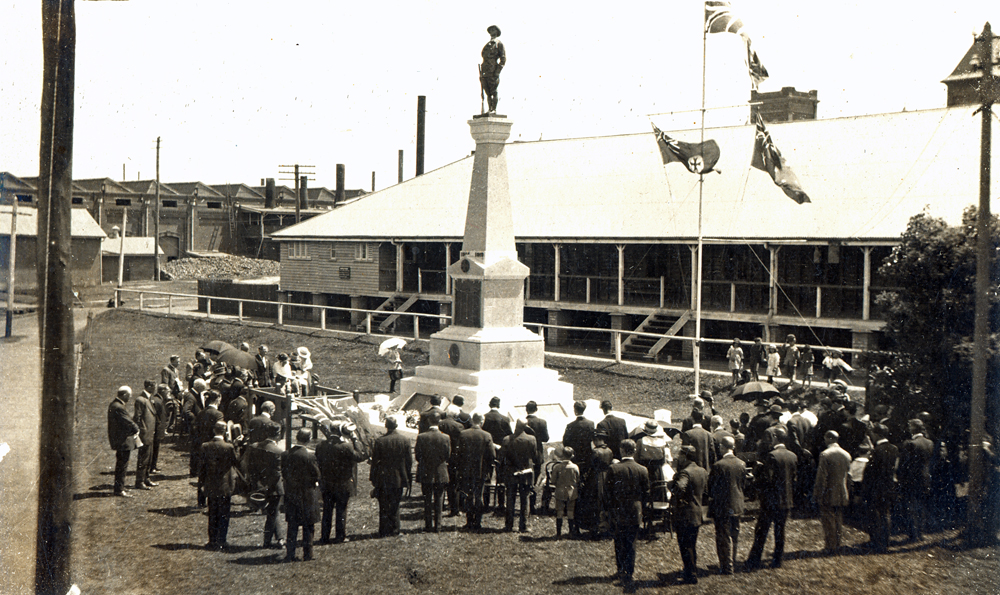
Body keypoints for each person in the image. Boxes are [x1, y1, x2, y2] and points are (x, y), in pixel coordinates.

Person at [745, 426, 798, 570]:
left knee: (761, 531)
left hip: (771, 500)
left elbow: (767, 480)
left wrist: (756, 475)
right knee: (780, 531)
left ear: (775, 437)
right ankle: (778, 560)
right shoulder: (793, 456)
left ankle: (754, 560)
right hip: (786, 499)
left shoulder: (772, 456)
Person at [315, 421, 367, 544]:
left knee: (327, 510)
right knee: (341, 510)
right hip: (343, 483)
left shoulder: (321, 445)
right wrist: (355, 440)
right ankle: (340, 536)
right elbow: (360, 456)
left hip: (327, 482)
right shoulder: (346, 446)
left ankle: (325, 536)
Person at [606, 439, 649, 585]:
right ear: (634, 450)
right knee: (631, 543)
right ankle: (629, 572)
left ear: (622, 450)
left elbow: (608, 492)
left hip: (618, 510)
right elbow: (646, 492)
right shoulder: (642, 469)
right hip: (635, 510)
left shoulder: (614, 469)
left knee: (619, 541)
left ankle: (621, 569)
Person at [670, 445, 708, 585]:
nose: (679, 457)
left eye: (680, 455)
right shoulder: (702, 471)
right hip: (697, 512)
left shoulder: (685, 473)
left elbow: (680, 487)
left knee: (685, 545)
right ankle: (691, 570)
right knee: (692, 544)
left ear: (685, 456)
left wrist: (672, 485)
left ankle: (690, 574)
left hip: (685, 514)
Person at [708, 436, 746, 575]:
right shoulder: (741, 464)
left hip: (722, 506)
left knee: (723, 536)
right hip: (737, 504)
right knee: (734, 534)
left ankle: (726, 566)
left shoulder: (719, 465)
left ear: (722, 447)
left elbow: (711, 486)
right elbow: (743, 484)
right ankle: (732, 562)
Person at [369, 417, 412, 537]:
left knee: (383, 504)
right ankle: (395, 529)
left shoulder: (380, 441)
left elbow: (375, 462)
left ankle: (383, 530)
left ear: (386, 425)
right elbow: (409, 461)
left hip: (383, 477)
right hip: (399, 476)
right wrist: (408, 477)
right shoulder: (404, 440)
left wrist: (373, 478)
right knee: (395, 503)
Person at [282, 428, 320, 562]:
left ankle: (290, 553)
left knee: (292, 525)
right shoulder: (310, 456)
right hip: (307, 493)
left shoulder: (286, 454)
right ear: (309, 439)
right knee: (308, 525)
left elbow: (285, 474)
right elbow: (316, 475)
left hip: (292, 493)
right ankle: (308, 553)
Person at [244, 423, 285, 549]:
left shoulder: (255, 447)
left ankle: (278, 539)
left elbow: (250, 467)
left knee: (272, 513)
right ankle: (274, 540)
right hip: (274, 487)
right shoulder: (278, 451)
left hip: (259, 484)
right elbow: (278, 473)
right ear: (277, 435)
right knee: (274, 512)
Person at [200, 420, 239, 550]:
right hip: (225, 485)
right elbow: (236, 462)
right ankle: (222, 540)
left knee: (212, 513)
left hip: (211, 484)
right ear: (225, 432)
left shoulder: (205, 446)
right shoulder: (228, 447)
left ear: (214, 430)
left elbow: (202, 467)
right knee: (224, 514)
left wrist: (202, 484)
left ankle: (212, 540)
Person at [814, 430, 852, 553]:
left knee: (828, 518)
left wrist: (818, 493)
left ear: (829, 438)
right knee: (838, 517)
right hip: (842, 490)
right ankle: (837, 542)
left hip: (828, 491)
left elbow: (822, 477)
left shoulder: (825, 454)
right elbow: (849, 475)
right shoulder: (846, 454)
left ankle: (830, 545)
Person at [457, 413, 495, 531]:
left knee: (468, 495)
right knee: (479, 496)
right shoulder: (486, 435)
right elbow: (492, 455)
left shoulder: (463, 434)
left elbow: (459, 454)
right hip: (481, 471)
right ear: (482, 421)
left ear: (472, 420)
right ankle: (477, 522)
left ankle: (469, 521)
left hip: (466, 470)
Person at [898, 419, 934, 543]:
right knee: (921, 506)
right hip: (924, 478)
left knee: (911, 507)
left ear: (913, 428)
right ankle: (920, 532)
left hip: (911, 480)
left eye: (910, 426)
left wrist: (900, 479)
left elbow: (904, 465)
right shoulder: (929, 442)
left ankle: (913, 534)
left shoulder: (910, 443)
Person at [501, 421, 538, 533]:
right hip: (525, 472)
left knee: (510, 498)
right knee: (525, 499)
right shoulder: (531, 439)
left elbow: (502, 456)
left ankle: (509, 525)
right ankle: (524, 525)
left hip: (511, 472)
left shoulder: (507, 439)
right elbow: (534, 455)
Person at [415, 418, 451, 533]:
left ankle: (428, 525)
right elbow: (447, 455)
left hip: (426, 470)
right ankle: (438, 526)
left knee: (427, 499)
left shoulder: (421, 437)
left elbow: (417, 455)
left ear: (429, 423)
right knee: (439, 498)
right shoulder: (445, 437)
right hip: (440, 470)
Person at [108, 386, 140, 497]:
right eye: (129, 396)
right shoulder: (119, 407)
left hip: (119, 440)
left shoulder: (115, 405)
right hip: (122, 441)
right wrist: (136, 428)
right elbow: (128, 422)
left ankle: (120, 487)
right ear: (125, 394)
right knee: (122, 466)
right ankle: (119, 490)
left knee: (122, 465)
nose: (130, 398)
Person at [194, 391, 225, 507]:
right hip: (214, 447)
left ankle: (201, 500)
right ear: (217, 399)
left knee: (202, 474)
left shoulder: (201, 413)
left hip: (202, 447)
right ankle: (214, 498)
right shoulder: (218, 415)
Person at [482, 396, 511, 510]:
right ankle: (501, 503)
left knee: (487, 476)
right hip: (500, 450)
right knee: (501, 477)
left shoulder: (484, 418)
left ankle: (486, 502)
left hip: (487, 450)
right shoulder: (505, 419)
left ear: (490, 405)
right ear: (499, 405)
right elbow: (509, 435)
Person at [438, 410, 466, 517]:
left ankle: (442, 505)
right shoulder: (459, 426)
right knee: (454, 484)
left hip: (441, 456)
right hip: (454, 457)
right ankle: (455, 508)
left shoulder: (439, 424)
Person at [133, 380, 158, 491]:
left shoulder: (149, 398)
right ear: (149, 386)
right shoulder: (141, 400)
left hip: (150, 434)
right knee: (143, 459)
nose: (155, 388)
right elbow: (137, 418)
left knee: (149, 458)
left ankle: (146, 478)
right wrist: (142, 431)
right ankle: (140, 481)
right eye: (154, 386)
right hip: (145, 434)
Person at [551, 446, 581, 539]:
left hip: (560, 490)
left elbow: (553, 480)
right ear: (572, 455)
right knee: (570, 511)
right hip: (571, 491)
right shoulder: (575, 467)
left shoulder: (557, 467)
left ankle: (558, 533)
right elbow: (578, 479)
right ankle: (571, 532)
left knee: (559, 511)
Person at [524, 401, 549, 512]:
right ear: (536, 409)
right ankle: (532, 505)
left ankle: (526, 503)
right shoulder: (542, 422)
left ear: (526, 409)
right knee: (536, 479)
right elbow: (546, 438)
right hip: (537, 453)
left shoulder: (523, 422)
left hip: (526, 454)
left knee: (526, 479)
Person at [479, 25, 506, 113]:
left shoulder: (498, 44)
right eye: (490, 30)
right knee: (487, 92)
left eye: (493, 30)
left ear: (496, 32)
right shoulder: (487, 45)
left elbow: (503, 59)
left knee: (493, 91)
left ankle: (493, 109)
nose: (491, 32)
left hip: (493, 70)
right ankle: (489, 109)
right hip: (485, 71)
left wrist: (497, 71)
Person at [149, 383, 169, 474]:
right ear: (163, 391)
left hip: (158, 429)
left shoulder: (158, 399)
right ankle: (152, 466)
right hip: (156, 429)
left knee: (155, 448)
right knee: (154, 448)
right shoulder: (158, 401)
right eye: (167, 391)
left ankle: (153, 466)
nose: (169, 392)